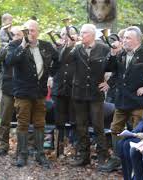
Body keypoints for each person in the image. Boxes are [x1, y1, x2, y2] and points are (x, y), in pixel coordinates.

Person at [99, 26, 143, 172]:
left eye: (127, 38)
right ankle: (118, 159)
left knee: (137, 130)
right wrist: (112, 54)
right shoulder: (120, 54)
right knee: (115, 129)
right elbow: (109, 69)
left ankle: (135, 161)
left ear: (137, 40)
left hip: (139, 101)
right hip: (122, 100)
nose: (124, 41)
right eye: (124, 38)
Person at [5, 19, 59, 168]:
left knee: (40, 123)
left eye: (33, 30)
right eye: (27, 31)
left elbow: (58, 60)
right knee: (22, 123)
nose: (30, 33)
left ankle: (40, 154)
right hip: (23, 92)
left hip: (40, 93)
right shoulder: (15, 45)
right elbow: (9, 61)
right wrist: (23, 45)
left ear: (38, 32)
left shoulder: (46, 46)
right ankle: (22, 154)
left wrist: (50, 75)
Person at [60, 23, 110, 167]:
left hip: (96, 94)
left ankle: (102, 157)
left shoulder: (103, 48)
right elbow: (64, 60)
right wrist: (69, 45)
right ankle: (84, 156)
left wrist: (109, 82)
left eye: (85, 33)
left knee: (98, 126)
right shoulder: (77, 49)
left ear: (93, 34)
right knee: (80, 126)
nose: (81, 35)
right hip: (79, 93)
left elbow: (115, 66)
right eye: (81, 32)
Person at [0, 26, 24, 156]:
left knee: (24, 120)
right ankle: (2, 146)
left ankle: (24, 147)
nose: (15, 37)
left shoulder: (26, 47)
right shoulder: (6, 47)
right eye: (13, 34)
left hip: (23, 89)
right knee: (4, 119)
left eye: (18, 35)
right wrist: (8, 46)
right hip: (8, 88)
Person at [51, 27, 77, 156]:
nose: (66, 37)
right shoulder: (56, 49)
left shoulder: (79, 49)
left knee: (75, 121)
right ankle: (59, 149)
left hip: (74, 90)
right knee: (59, 121)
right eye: (63, 35)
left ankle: (74, 148)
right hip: (59, 90)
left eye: (69, 34)